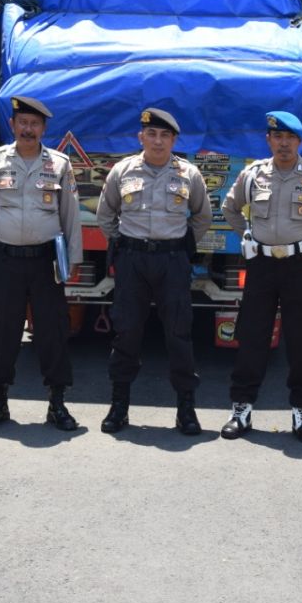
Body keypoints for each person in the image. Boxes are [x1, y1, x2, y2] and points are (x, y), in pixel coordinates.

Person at [219, 111, 302, 443]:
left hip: (299, 267)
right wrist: (247, 233)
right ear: (269, 140)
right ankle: (241, 410)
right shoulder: (252, 175)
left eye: (290, 137)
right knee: (252, 337)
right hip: (262, 266)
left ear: (299, 141)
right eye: (277, 137)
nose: (284, 143)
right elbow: (229, 208)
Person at [95, 107, 213, 435]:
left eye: (165, 135)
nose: (158, 141)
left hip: (172, 261)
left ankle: (186, 410)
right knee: (127, 332)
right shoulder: (122, 171)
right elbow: (106, 215)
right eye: (152, 134)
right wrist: (122, 246)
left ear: (174, 139)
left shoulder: (188, 174)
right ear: (141, 137)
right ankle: (119, 407)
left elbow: (202, 216)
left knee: (179, 334)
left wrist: (183, 245)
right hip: (132, 260)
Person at [0, 95, 83, 431]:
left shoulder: (60, 164)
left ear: (44, 128)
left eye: (35, 124)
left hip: (45, 262)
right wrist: (3, 229)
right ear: (13, 125)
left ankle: (57, 404)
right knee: (3, 330)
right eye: (23, 123)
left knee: (52, 330)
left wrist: (73, 260)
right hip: (7, 260)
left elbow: (70, 215)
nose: (29, 129)